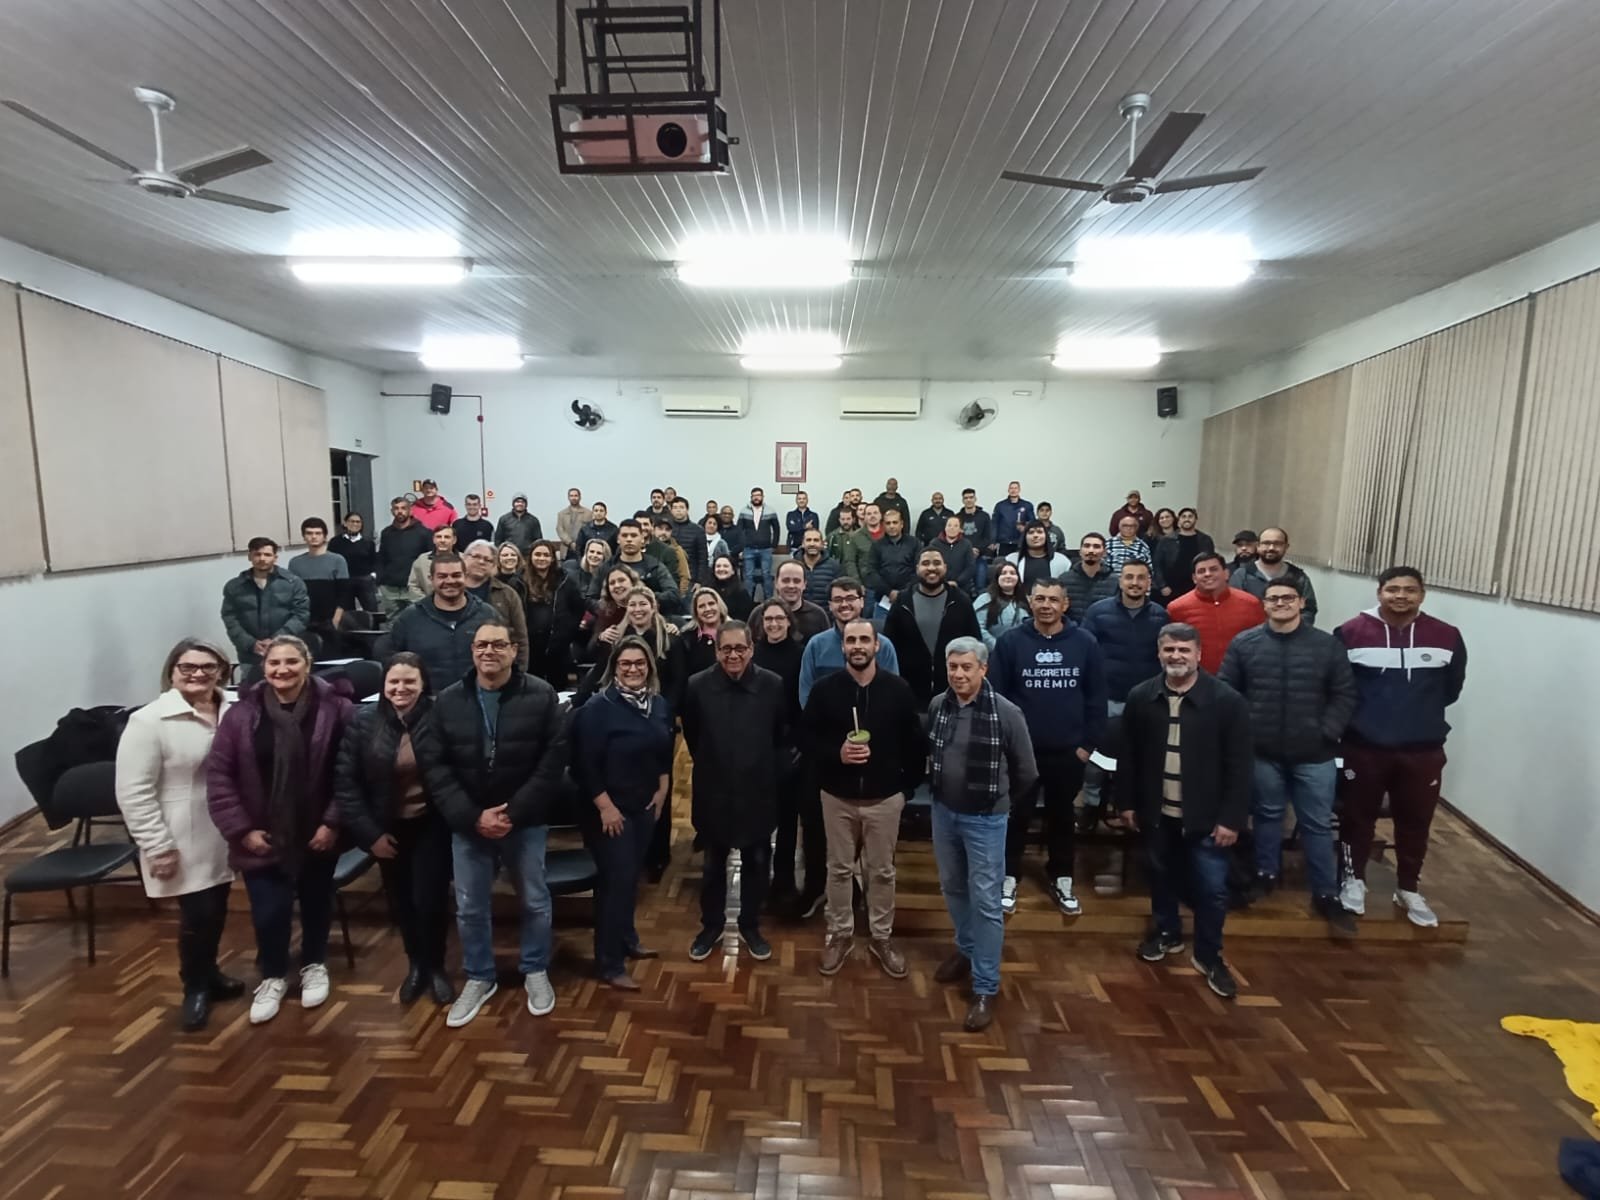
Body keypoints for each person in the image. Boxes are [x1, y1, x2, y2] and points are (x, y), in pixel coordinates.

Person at [416, 620, 567, 1028]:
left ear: (514, 651)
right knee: (469, 907)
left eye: (499, 645)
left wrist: (512, 813)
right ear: (472, 652)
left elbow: (552, 762)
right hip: (470, 822)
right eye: (482, 645)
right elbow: (435, 766)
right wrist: (472, 816)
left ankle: (535, 968)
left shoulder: (541, 695)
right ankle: (480, 976)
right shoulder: (448, 701)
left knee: (534, 900)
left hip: (525, 820)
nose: (489, 652)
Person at [206, 635, 353, 1024]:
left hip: (317, 831)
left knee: (317, 902)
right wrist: (242, 831)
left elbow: (349, 773)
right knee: (269, 912)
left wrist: (332, 821)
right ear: (263, 668)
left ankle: (314, 964)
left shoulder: (336, 709)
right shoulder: (240, 715)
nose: (282, 670)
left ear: (308, 664)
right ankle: (272, 975)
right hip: (262, 834)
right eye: (274, 663)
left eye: (291, 662)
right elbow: (220, 776)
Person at [1119, 623, 1252, 1000]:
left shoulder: (1227, 702)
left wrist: (1231, 819)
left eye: (1183, 650)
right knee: (1160, 877)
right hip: (1157, 812)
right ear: (1159, 653)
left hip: (1208, 818)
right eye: (1169, 650)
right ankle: (1167, 933)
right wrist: (1126, 803)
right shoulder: (1141, 696)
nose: (1176, 656)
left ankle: (1210, 955)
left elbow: (1240, 766)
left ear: (1199, 655)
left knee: (1211, 891)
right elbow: (1128, 756)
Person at [115, 638, 241, 1031]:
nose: (198, 674)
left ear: (221, 670)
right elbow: (133, 791)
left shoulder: (234, 707)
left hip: (227, 827)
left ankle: (212, 973)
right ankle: (195, 987)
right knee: (197, 914)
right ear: (172, 672)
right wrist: (157, 845)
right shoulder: (149, 721)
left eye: (207, 666)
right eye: (188, 667)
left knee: (217, 906)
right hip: (182, 833)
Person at [1219, 578, 1358, 933]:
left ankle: (1325, 892)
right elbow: (1227, 695)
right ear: (1263, 605)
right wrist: (1245, 734)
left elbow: (1344, 694)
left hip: (1315, 753)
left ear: (1301, 603)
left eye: (1288, 598)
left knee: (1316, 822)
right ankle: (1265, 875)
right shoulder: (1245, 644)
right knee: (1267, 815)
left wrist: (1326, 732)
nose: (1280, 603)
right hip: (1263, 751)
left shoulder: (1327, 646)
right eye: (1273, 598)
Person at [1333, 567, 1467, 927]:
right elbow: (1338, 689)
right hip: (1363, 746)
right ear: (1379, 593)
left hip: (1422, 748)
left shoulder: (1446, 636)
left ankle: (1408, 887)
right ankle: (1353, 880)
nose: (1401, 596)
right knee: (1356, 817)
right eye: (1393, 589)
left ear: (1422, 594)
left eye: (1410, 590)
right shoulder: (1350, 632)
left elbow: (1451, 689)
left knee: (1416, 821)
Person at [803, 617, 926, 978]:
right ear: (843, 646)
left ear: (876, 646)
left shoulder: (899, 690)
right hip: (837, 796)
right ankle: (840, 934)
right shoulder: (825, 690)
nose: (857, 646)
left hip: (885, 799)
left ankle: (881, 936)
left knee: (882, 872)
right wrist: (835, 755)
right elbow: (807, 740)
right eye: (851, 640)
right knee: (838, 870)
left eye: (864, 640)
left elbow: (915, 746)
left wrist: (906, 790)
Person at [928, 637, 1038, 1032]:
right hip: (944, 813)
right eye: (953, 667)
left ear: (983, 669)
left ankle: (986, 985)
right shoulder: (939, 705)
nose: (958, 674)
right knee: (953, 887)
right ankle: (967, 949)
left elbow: (1026, 773)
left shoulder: (1007, 714)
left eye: (966, 667)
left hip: (986, 820)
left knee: (987, 901)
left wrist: (995, 803)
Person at [334, 653, 455, 1006]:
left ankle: (436, 967)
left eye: (409, 682)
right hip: (385, 828)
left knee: (429, 900)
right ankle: (415, 964)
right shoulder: (362, 721)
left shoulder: (441, 717)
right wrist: (369, 835)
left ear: (423, 684)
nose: (401, 689)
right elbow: (346, 783)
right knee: (401, 902)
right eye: (394, 682)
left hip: (431, 824)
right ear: (384, 685)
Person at [989, 577, 1106, 916]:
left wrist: (1087, 746)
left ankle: (1062, 876)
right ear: (1031, 602)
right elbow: (997, 697)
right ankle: (1009, 876)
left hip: (1069, 752)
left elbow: (1096, 699)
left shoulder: (1085, 643)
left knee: (1062, 815)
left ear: (1064, 605)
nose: (1046, 605)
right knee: (1016, 816)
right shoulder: (1011, 642)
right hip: (1021, 753)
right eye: (1039, 599)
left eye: (1053, 600)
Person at [682, 621, 788, 962]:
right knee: (713, 865)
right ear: (716, 651)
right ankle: (711, 925)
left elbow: (779, 735)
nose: (733, 655)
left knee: (758, 862)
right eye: (726, 649)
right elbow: (693, 737)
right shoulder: (697, 686)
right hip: (714, 790)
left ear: (751, 649)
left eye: (739, 648)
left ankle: (750, 924)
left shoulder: (773, 685)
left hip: (758, 790)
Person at [570, 638, 673, 989]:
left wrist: (662, 789)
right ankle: (609, 963)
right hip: (608, 812)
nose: (633, 669)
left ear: (649, 667)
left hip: (644, 806)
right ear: (614, 667)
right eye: (626, 663)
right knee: (615, 883)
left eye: (639, 663)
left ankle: (627, 938)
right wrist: (605, 807)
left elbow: (664, 749)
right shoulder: (598, 708)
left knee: (631, 879)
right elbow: (584, 764)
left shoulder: (657, 704)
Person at [1079, 561, 1168, 823]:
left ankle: (1127, 807)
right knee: (1095, 760)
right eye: (1129, 577)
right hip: (1106, 699)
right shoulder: (1098, 612)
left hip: (1145, 702)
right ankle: (1092, 807)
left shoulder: (1161, 616)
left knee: (1137, 758)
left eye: (1141, 578)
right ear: (1120, 581)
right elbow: (1086, 652)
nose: (1135, 583)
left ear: (1149, 583)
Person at [753, 598, 823, 917]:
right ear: (761, 623)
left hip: (790, 747)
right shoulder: (753, 654)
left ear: (788, 622)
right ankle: (759, 879)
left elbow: (805, 701)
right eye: (768, 619)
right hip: (758, 747)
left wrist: (797, 743)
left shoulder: (801, 653)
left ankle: (783, 881)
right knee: (760, 820)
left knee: (787, 820)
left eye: (779, 619)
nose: (774, 624)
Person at [378, 553, 494, 687]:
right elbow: (390, 658)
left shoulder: (487, 615)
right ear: (431, 579)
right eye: (442, 576)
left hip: (479, 700)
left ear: (465, 577)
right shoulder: (410, 618)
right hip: (428, 702)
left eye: (456, 575)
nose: (450, 581)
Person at [883, 548, 981, 706]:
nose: (931, 568)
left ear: (945, 568)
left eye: (937, 563)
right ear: (917, 569)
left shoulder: (961, 601)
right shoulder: (902, 602)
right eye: (925, 563)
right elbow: (889, 646)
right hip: (909, 694)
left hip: (953, 693)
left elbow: (975, 644)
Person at [798, 577, 902, 705]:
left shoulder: (883, 645)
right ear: (830, 606)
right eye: (838, 600)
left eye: (850, 598)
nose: (844, 604)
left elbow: (893, 693)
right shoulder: (816, 645)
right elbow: (806, 694)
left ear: (862, 602)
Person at [221, 537, 310, 674]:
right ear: (250, 556)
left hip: (286, 651)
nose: (262, 558)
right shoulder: (235, 586)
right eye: (257, 554)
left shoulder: (293, 583)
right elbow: (230, 618)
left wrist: (276, 640)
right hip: (250, 655)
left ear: (275, 557)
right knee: (252, 691)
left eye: (267, 554)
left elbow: (301, 615)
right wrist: (251, 643)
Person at [1167, 553, 1266, 674]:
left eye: (1214, 569)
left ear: (1226, 573)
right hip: (1196, 682)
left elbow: (1262, 644)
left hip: (1243, 679)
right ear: (1194, 578)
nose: (1208, 574)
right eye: (1201, 571)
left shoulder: (1251, 604)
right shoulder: (1177, 609)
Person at [461, 540, 530, 670]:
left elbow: (520, 637)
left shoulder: (508, 594)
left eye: (488, 560)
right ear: (464, 558)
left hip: (496, 667)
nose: (481, 562)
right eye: (476, 556)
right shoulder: (451, 591)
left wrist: (520, 672)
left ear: (494, 566)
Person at [522, 540, 583, 685]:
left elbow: (579, 607)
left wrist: (569, 630)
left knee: (558, 688)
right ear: (530, 557)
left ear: (552, 558)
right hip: (530, 646)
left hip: (557, 646)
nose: (541, 558)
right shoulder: (519, 581)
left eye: (546, 555)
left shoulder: (565, 580)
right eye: (537, 554)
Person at [288, 517, 352, 654]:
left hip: (330, 620)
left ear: (324, 536)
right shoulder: (295, 563)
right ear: (304, 536)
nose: (313, 537)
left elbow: (344, 592)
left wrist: (336, 620)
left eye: (317, 533)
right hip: (305, 620)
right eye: (309, 533)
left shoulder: (337, 560)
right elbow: (293, 594)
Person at [1231, 527, 1320, 624]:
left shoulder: (1298, 577)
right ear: (1258, 546)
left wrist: (1289, 629)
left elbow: (1308, 611)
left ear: (1286, 547)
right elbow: (1233, 610)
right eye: (1266, 543)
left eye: (1277, 544)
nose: (1271, 548)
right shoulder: (1242, 575)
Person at [378, 496, 433, 615]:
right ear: (392, 511)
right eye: (396, 508)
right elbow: (382, 557)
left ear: (410, 510)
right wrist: (380, 579)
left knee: (418, 620)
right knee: (393, 623)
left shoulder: (423, 532)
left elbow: (429, 559)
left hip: (414, 587)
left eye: (403, 508)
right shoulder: (386, 533)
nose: (400, 511)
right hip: (390, 588)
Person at [612, 518, 681, 613]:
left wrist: (644, 595)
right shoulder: (608, 567)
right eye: (624, 535)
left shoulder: (655, 566)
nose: (629, 539)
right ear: (618, 539)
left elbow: (674, 595)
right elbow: (591, 597)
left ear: (642, 539)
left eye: (633, 535)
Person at [1153, 507, 1216, 602]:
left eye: (1190, 516)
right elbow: (1157, 564)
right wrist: (1162, 586)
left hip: (1196, 587)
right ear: (1179, 520)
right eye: (1184, 517)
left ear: (1195, 519)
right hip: (1171, 588)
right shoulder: (1166, 540)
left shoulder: (1205, 540)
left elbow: (1211, 563)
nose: (1187, 519)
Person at [866, 509, 918, 610]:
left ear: (901, 524)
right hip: (883, 599)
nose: (892, 526)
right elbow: (872, 571)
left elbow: (918, 570)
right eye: (888, 523)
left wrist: (903, 592)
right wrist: (889, 592)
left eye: (895, 522)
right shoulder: (877, 545)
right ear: (884, 525)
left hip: (910, 598)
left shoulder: (914, 543)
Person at [330, 511, 380, 615]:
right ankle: (351, 631)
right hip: (345, 580)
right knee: (348, 612)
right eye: (352, 521)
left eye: (358, 522)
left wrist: (373, 575)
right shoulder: (335, 542)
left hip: (364, 580)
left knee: (371, 609)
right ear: (345, 523)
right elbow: (331, 560)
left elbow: (374, 560)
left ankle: (374, 630)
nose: (355, 524)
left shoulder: (368, 543)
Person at [738, 487, 782, 600]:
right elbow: (739, 530)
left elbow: (776, 529)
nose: (756, 497)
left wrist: (774, 545)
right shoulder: (744, 511)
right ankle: (747, 602)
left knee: (766, 575)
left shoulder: (770, 510)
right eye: (754, 495)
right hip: (748, 549)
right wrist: (742, 547)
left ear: (762, 497)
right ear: (751, 497)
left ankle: (770, 601)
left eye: (758, 495)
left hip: (766, 549)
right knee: (748, 576)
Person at [975, 560, 1029, 650]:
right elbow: (979, 628)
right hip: (992, 651)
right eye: (1003, 573)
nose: (1008, 576)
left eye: (1012, 573)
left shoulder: (1026, 600)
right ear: (997, 578)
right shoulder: (985, 599)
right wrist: (999, 647)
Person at [1004, 521, 1071, 591]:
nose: (1035, 535)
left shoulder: (1062, 562)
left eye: (1039, 532)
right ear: (1024, 537)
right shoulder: (1011, 560)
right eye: (1031, 532)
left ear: (1046, 536)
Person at [774, 558, 831, 641]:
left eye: (797, 581)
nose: (791, 586)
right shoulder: (760, 614)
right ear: (776, 583)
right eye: (786, 580)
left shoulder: (818, 615)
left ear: (804, 584)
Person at [1064, 533, 1119, 615]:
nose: (1091, 550)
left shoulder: (1115, 581)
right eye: (1087, 546)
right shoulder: (1064, 579)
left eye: (1096, 546)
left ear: (1104, 552)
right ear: (1080, 551)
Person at [931, 515, 978, 596]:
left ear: (961, 529)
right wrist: (943, 582)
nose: (952, 528)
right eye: (949, 525)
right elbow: (932, 565)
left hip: (961, 587)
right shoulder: (934, 543)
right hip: (938, 585)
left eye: (956, 526)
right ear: (945, 527)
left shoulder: (966, 544)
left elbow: (970, 567)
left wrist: (957, 582)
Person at [408, 525, 459, 600]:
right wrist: (427, 605)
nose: (442, 540)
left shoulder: (465, 560)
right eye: (438, 537)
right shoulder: (422, 560)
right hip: (427, 608)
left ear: (454, 540)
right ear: (433, 540)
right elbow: (413, 585)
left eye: (447, 537)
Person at [795, 527, 841, 607]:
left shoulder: (834, 566)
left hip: (826, 616)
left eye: (816, 540)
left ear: (822, 544)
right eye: (808, 540)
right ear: (802, 543)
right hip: (798, 616)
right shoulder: (793, 566)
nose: (812, 544)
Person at [668, 497, 708, 584]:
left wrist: (699, 581)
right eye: (675, 508)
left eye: (681, 507)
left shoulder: (698, 530)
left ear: (687, 510)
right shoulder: (666, 529)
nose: (678, 510)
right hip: (668, 577)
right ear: (670, 510)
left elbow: (703, 558)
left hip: (691, 577)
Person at [826, 505, 871, 582]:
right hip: (838, 576)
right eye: (843, 519)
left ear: (853, 519)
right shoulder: (832, 536)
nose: (845, 522)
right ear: (839, 520)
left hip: (859, 576)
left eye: (848, 519)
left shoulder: (861, 535)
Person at [567, 538, 615, 607]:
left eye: (599, 553)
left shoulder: (608, 578)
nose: (594, 555)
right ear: (586, 553)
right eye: (591, 551)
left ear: (605, 557)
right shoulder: (575, 575)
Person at [650, 514, 692, 594]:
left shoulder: (677, 550)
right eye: (660, 529)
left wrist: (680, 595)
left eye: (667, 530)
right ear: (653, 529)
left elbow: (684, 576)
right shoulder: (648, 547)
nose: (663, 532)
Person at [992, 481, 1034, 558]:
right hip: (1004, 543)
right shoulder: (1000, 506)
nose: (1013, 490)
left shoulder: (1027, 505)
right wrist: (993, 541)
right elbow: (994, 524)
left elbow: (1032, 523)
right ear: (1008, 490)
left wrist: (1025, 528)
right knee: (1003, 565)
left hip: (1021, 543)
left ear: (1019, 490)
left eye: (1015, 488)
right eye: (1011, 488)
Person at [708, 553, 754, 620]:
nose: (721, 569)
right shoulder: (707, 590)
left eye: (725, 566)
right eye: (718, 566)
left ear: (733, 571)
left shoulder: (741, 592)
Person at [554, 488, 592, 560]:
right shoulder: (562, 514)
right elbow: (560, 530)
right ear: (568, 497)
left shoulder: (588, 513)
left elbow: (590, 530)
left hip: (582, 549)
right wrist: (570, 542)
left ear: (580, 497)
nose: (574, 498)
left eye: (576, 495)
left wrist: (579, 543)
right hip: (566, 549)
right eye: (571, 496)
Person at [700, 515, 732, 584]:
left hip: (717, 574)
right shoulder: (699, 540)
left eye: (714, 524)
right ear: (705, 524)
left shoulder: (722, 543)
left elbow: (727, 560)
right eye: (709, 523)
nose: (711, 526)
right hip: (701, 574)